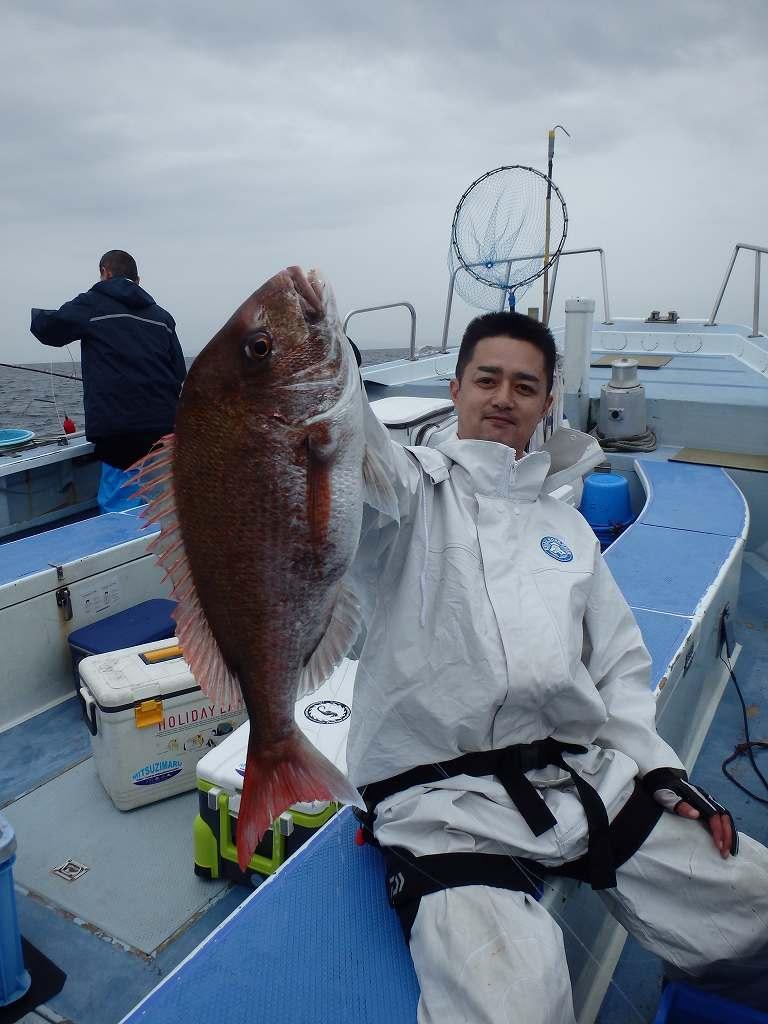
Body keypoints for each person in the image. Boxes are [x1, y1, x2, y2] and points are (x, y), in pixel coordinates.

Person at [346, 310, 768, 1023]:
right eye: (487, 379)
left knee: (753, 903)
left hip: (579, 780)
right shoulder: (409, 491)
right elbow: (351, 469)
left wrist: (659, 769)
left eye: (524, 385)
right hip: (444, 808)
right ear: (455, 389)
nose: (503, 397)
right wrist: (320, 366)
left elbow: (620, 666)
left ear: (547, 403)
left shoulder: (566, 528)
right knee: (518, 1010)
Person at [30, 250, 186, 512]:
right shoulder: (163, 317)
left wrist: (36, 315)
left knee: (120, 511)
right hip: (164, 430)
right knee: (166, 509)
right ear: (138, 279)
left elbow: (48, 329)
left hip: (118, 433)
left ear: (105, 271)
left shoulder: (92, 303)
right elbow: (179, 372)